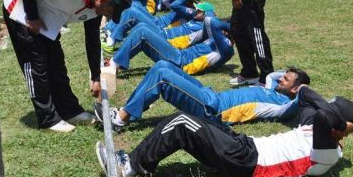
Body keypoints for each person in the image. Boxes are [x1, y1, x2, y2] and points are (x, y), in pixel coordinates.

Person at [96, 86, 353, 177]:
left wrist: (340, 123)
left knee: (180, 123)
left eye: (331, 114)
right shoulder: (317, 128)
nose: (322, 113)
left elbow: (324, 118)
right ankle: (131, 164)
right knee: (196, 120)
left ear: (339, 127)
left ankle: (128, 167)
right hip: (246, 147)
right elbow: (303, 94)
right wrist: (331, 113)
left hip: (247, 162)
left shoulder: (328, 155)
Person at [2, 0, 131, 133]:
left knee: (57, 64)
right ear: (103, 0)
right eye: (112, 12)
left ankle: (70, 111)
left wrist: (96, 77)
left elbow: (92, 41)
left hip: (47, 16)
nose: (111, 17)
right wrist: (32, 16)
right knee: (37, 66)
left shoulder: (96, 8)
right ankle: (48, 120)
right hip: (20, 11)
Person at [94, 61, 309, 132]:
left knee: (162, 76)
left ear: (294, 90)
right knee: (163, 65)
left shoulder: (281, 105)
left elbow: (299, 104)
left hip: (213, 110)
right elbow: (272, 74)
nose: (281, 79)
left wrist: (302, 90)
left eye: (287, 80)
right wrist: (290, 76)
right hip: (210, 95)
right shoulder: (272, 87)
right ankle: (129, 108)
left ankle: (120, 119)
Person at [107, 16, 234, 76]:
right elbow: (209, 22)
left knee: (142, 32)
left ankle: (114, 64)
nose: (221, 32)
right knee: (142, 27)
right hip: (179, 56)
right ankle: (117, 61)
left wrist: (231, 28)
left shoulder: (226, 49)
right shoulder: (217, 42)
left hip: (181, 64)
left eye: (224, 30)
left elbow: (210, 21)